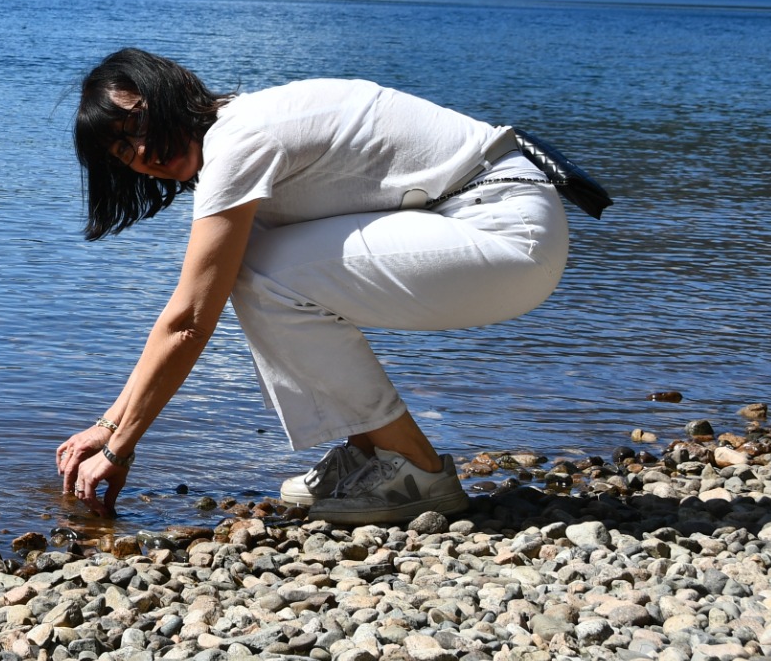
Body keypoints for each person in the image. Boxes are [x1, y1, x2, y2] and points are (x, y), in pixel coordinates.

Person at [54, 48, 570, 525]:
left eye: (138, 123)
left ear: (169, 94)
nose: (143, 150)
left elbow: (189, 319)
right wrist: (108, 424)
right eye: (123, 149)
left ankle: (416, 467)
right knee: (258, 262)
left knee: (257, 272)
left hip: (505, 229)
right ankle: (373, 452)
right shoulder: (238, 135)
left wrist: (120, 443)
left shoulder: (240, 140)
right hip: (492, 222)